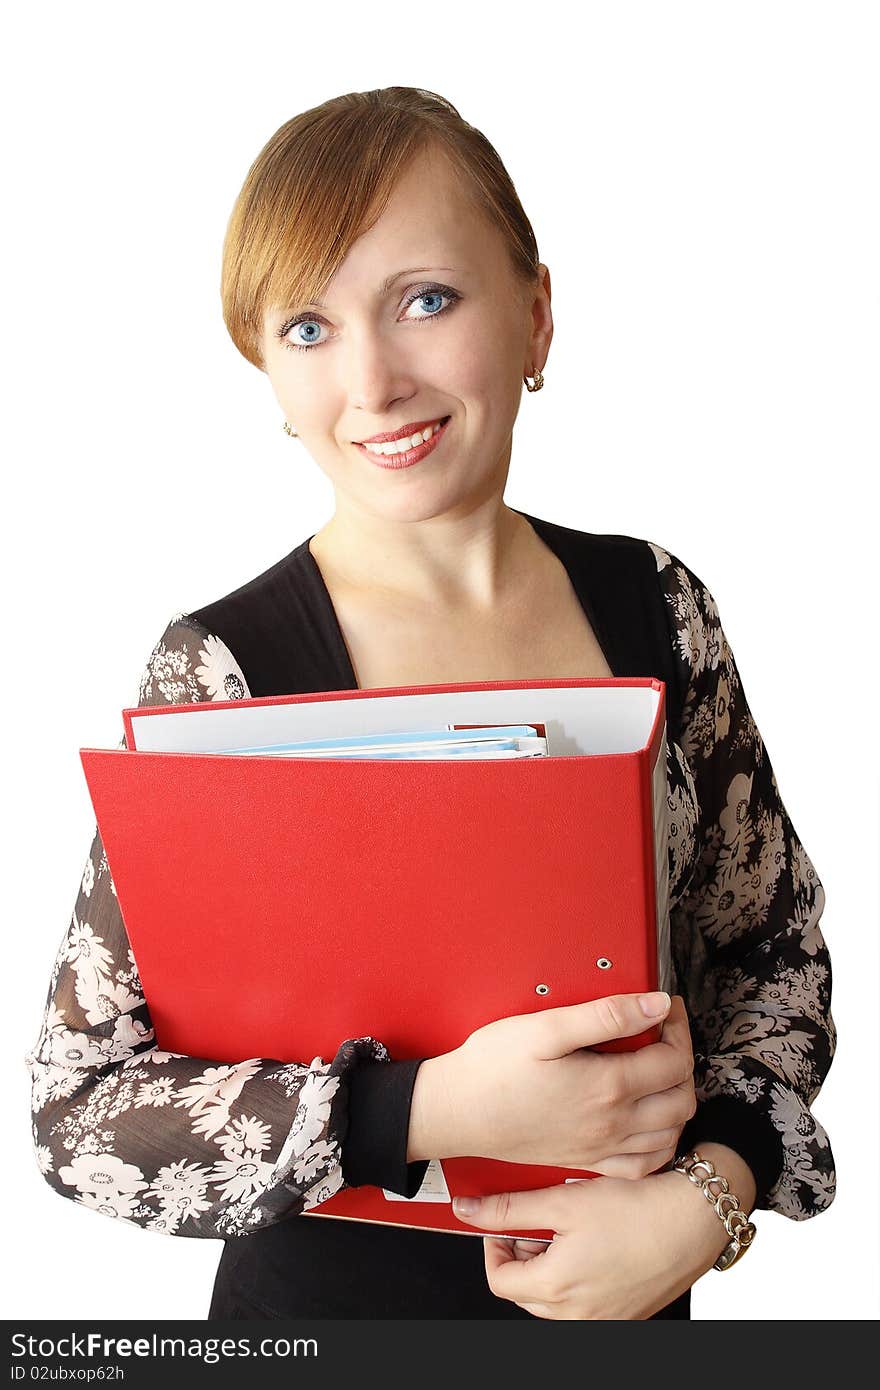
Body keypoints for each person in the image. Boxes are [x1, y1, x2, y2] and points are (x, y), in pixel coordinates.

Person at [25, 87, 836, 1321]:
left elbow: (774, 958)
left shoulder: (657, 607)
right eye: (307, 325)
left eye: (425, 300)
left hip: (634, 1323)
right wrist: (434, 1107)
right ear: (266, 368)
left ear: (536, 315)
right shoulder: (224, 671)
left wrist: (705, 1202)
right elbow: (83, 1110)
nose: (374, 380)